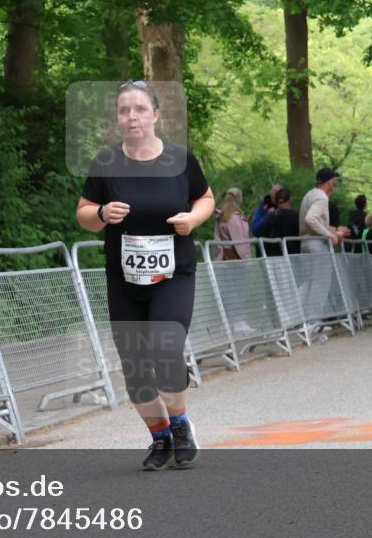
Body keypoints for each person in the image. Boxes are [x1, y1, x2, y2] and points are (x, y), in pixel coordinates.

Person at [76, 79, 215, 470]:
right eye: (124, 110)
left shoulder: (180, 159)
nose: (132, 116)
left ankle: (181, 423)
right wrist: (101, 215)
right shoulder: (106, 163)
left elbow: (205, 197)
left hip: (173, 273)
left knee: (166, 347)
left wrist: (193, 218)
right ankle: (160, 437)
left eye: (140, 109)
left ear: (156, 114)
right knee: (135, 366)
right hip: (124, 279)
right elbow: (84, 213)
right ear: (117, 119)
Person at [298, 168, 350, 253]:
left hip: (304, 244)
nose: (335, 184)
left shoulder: (309, 194)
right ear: (329, 182)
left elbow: (316, 224)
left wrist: (336, 232)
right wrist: (330, 235)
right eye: (334, 181)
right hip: (317, 245)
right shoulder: (322, 197)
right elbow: (310, 219)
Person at [257, 187, 300, 256]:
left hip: (275, 256)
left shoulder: (273, 216)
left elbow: (260, 231)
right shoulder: (296, 215)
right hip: (293, 255)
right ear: (290, 200)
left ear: (276, 202)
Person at [213, 187, 252, 261]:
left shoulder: (222, 217)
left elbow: (218, 241)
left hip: (227, 259)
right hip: (241, 260)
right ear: (240, 200)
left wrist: (218, 261)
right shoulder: (239, 219)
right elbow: (243, 244)